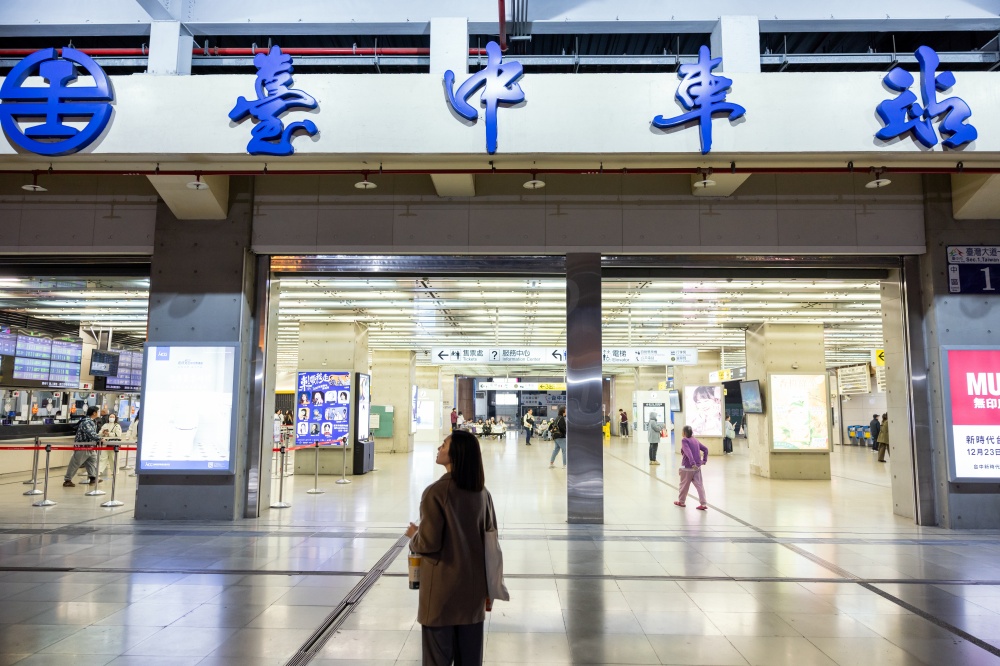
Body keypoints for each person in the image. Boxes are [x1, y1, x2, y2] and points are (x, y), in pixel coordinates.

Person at [405, 430, 496, 666]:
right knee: (470, 659)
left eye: (444, 445)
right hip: (474, 592)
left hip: (441, 593)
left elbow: (428, 543)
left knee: (437, 658)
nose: (439, 448)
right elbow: (491, 542)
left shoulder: (436, 492)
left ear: (455, 453)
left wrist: (414, 535)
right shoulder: (482, 494)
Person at [64, 406, 101, 487]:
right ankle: (67, 480)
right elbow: (90, 432)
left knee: (92, 461)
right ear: (94, 413)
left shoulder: (92, 421)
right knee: (75, 463)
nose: (98, 413)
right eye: (97, 412)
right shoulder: (86, 421)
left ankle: (93, 477)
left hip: (90, 445)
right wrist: (99, 438)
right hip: (83, 446)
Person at [674, 425, 709, 510]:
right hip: (697, 467)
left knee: (684, 485)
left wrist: (692, 462)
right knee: (699, 485)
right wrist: (703, 461)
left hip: (686, 467)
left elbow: (688, 451)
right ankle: (703, 504)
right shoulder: (695, 440)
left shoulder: (684, 440)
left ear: (684, 432)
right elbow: (705, 449)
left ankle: (681, 502)